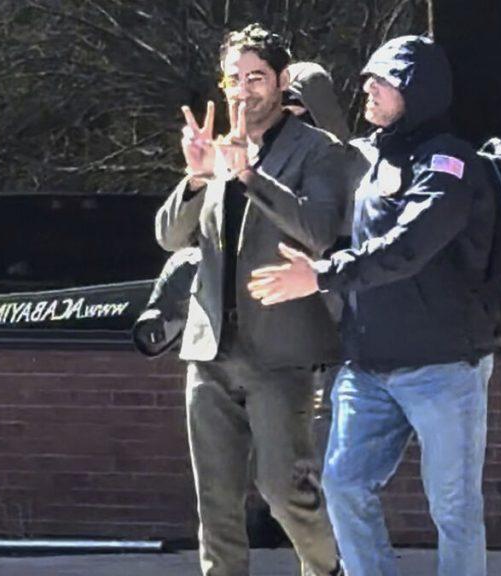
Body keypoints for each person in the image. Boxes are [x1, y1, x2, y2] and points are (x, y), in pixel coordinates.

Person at [248, 36, 499, 576]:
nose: (368, 88)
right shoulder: (373, 157)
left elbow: (407, 247)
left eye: (382, 81)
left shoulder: (449, 163)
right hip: (367, 367)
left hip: (443, 368)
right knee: (343, 485)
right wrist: (246, 170)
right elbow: (323, 187)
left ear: (416, 91)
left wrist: (320, 275)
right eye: (368, 79)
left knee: (454, 509)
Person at [155, 23, 350, 576]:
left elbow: (319, 231)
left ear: (282, 81)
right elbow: (169, 237)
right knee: (215, 501)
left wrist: (250, 175)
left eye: (256, 78)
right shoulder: (217, 150)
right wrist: (197, 178)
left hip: (281, 353)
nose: (243, 91)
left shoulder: (318, 151)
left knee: (285, 489)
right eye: (233, 79)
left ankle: (329, 569)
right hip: (210, 348)